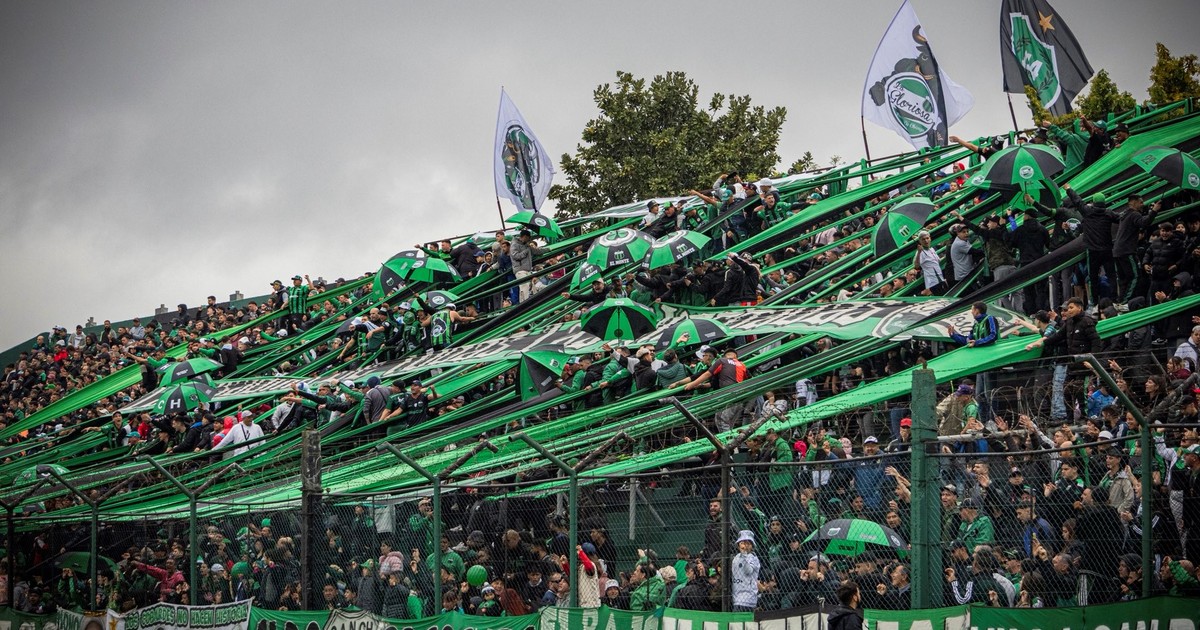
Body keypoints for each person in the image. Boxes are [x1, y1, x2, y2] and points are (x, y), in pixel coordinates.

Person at [509, 230, 543, 303]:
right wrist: (525, 252)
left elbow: (536, 251)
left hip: (528, 270)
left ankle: (529, 303)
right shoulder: (514, 244)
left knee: (531, 287)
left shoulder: (527, 245)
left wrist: (548, 249)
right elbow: (515, 256)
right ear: (525, 237)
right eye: (528, 238)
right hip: (520, 270)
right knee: (524, 287)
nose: (529, 240)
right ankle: (525, 304)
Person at [731, 530, 760, 612]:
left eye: (748, 543)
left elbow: (748, 571)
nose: (745, 545)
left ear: (752, 545)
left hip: (748, 598)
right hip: (736, 597)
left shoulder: (753, 558)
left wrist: (744, 555)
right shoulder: (736, 557)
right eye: (742, 543)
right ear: (738, 545)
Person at [913, 230, 947, 295]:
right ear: (920, 241)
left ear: (930, 238)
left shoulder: (932, 249)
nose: (926, 241)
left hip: (941, 278)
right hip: (933, 282)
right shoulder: (919, 252)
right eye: (923, 239)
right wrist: (919, 252)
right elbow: (916, 265)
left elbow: (938, 261)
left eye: (927, 238)